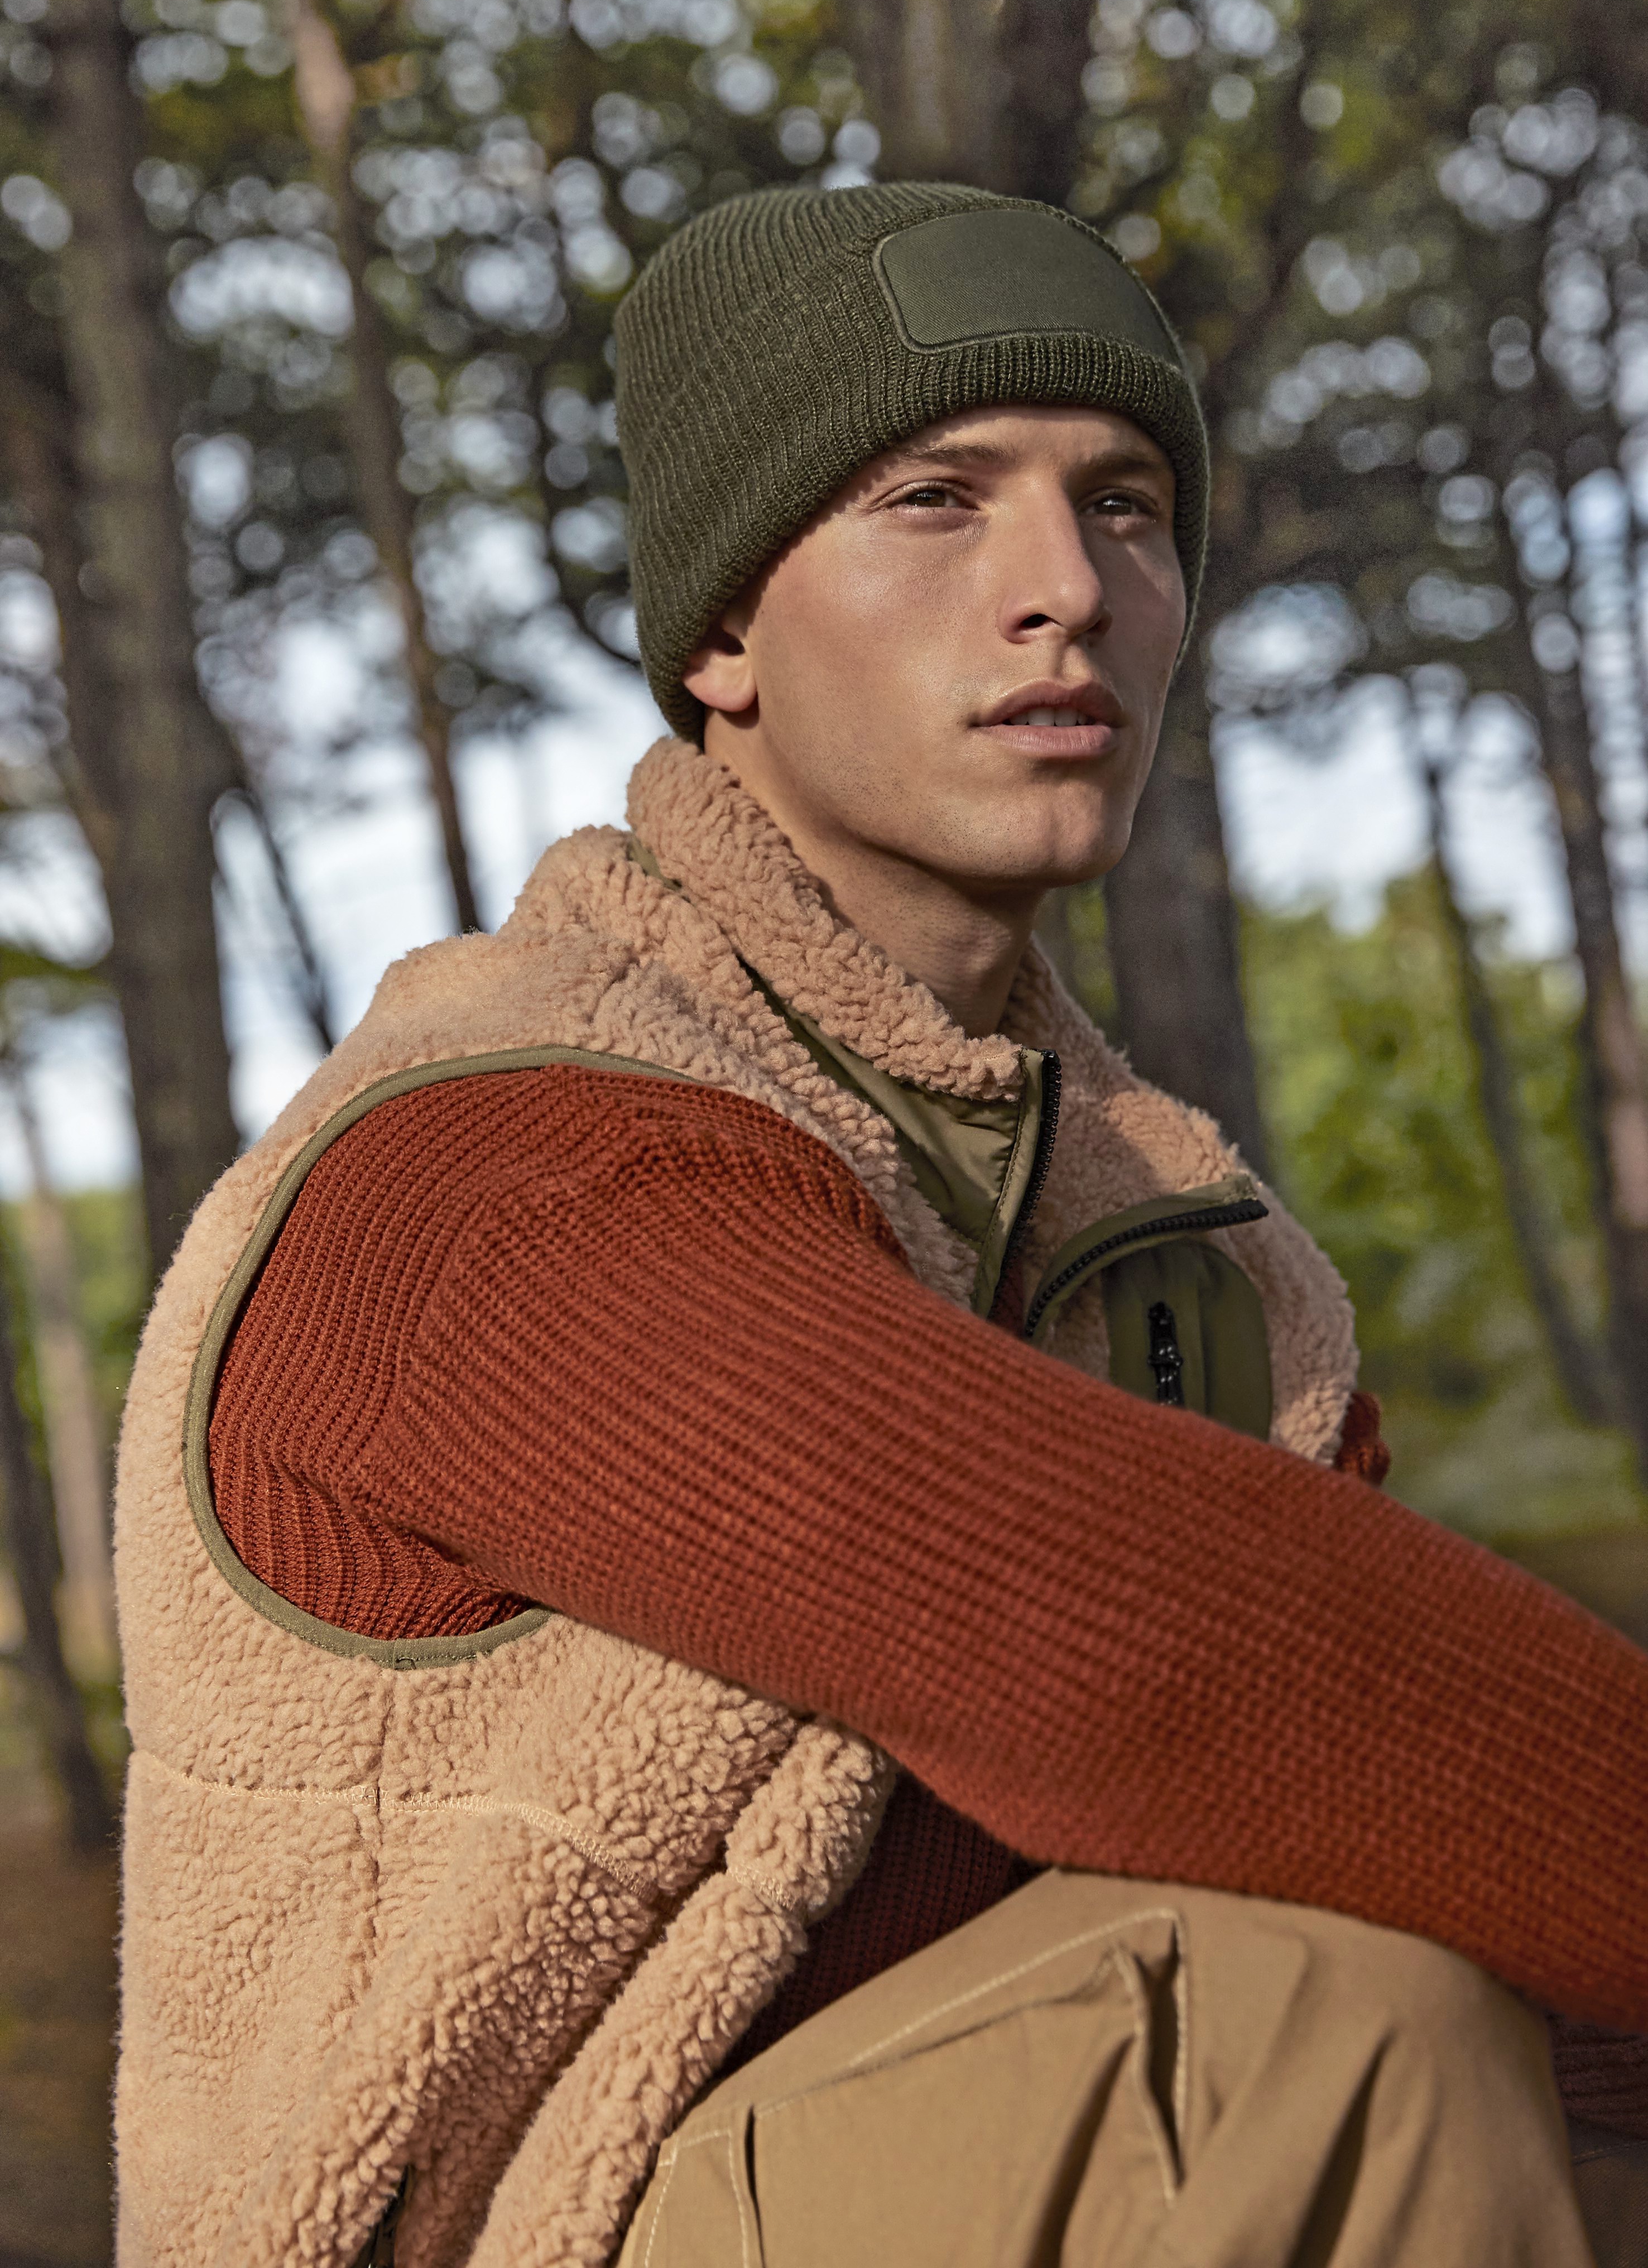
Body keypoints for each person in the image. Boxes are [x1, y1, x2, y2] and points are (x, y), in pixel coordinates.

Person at [113, 182, 1648, 2268]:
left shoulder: (1180, 1260)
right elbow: (1137, 1653)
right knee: (1334, 2021)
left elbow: (1437, 1831)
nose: (1066, 590)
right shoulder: (511, 1173)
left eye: (1123, 507)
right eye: (935, 499)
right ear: (719, 637)